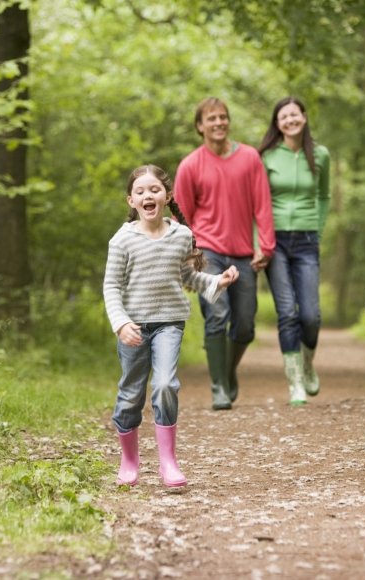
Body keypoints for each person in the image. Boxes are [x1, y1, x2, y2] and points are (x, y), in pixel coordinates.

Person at [103, 164, 239, 488]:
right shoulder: (122, 240)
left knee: (165, 385)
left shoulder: (181, 235)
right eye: (140, 191)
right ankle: (129, 461)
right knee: (131, 395)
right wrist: (121, 324)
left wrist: (217, 281)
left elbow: (187, 276)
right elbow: (111, 286)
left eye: (154, 190)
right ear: (131, 200)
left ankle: (168, 462)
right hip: (133, 327)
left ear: (166, 196)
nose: (148, 195)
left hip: (169, 323)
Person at [174, 97, 275, 410]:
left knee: (245, 324)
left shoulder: (249, 158)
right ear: (200, 126)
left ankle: (227, 371)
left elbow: (263, 204)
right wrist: (189, 257)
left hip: (244, 254)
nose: (218, 122)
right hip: (208, 254)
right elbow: (181, 217)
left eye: (223, 117)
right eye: (211, 118)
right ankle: (218, 386)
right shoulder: (190, 165)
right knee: (217, 315)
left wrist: (266, 246)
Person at [257, 97, 330, 405]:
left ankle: (307, 364)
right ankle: (295, 383)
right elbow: (257, 201)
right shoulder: (267, 156)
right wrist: (258, 242)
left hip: (306, 240)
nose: (289, 120)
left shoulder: (321, 154)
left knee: (311, 315)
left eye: (294, 114)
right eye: (283, 116)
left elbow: (324, 195)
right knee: (287, 313)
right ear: (277, 123)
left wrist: (318, 228)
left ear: (304, 117)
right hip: (274, 242)